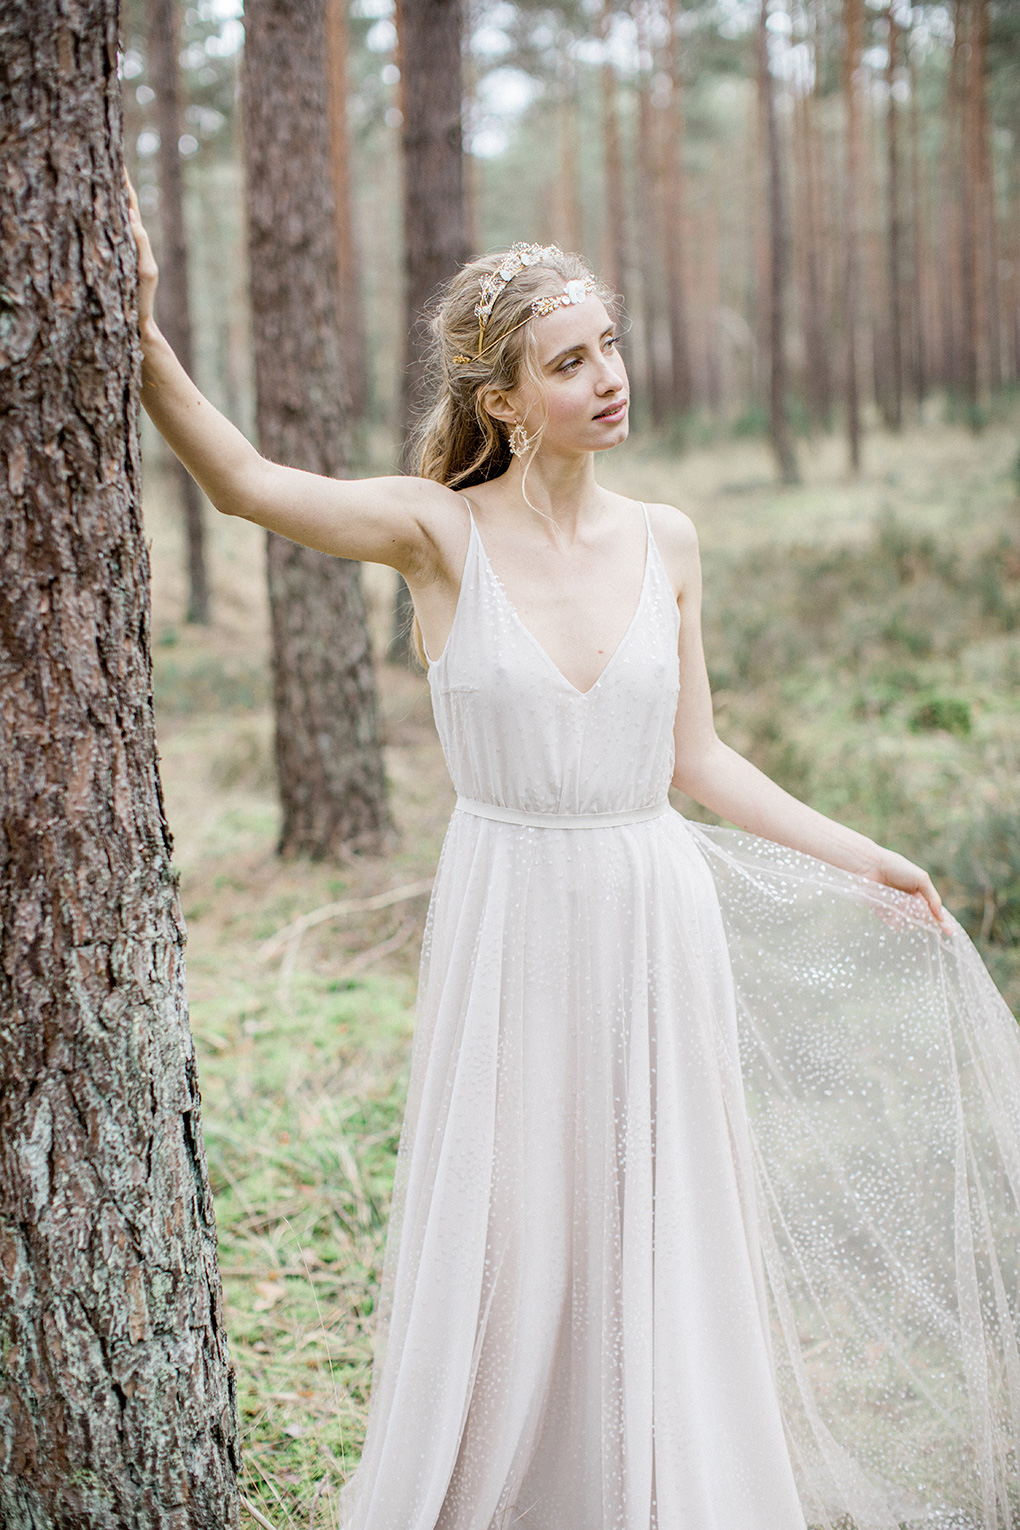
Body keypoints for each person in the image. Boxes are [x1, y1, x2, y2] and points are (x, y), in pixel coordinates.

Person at [129, 195, 1020, 1529]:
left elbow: (699, 758)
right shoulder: (439, 533)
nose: (609, 377)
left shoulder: (669, 539)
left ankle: (659, 1479)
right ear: (502, 401)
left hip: (652, 913)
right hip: (512, 918)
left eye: (610, 345)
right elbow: (247, 483)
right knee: (520, 1216)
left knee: (654, 1209)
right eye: (570, 361)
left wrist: (869, 854)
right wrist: (140, 334)